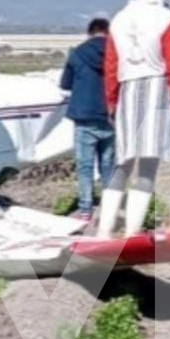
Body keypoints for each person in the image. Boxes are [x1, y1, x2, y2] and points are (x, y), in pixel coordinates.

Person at [100, 0, 170, 238]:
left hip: (127, 90)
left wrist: (111, 100)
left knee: (123, 163)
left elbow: (111, 65)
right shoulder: (167, 19)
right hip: (158, 88)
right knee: (148, 165)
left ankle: (104, 230)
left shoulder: (120, 18)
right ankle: (131, 232)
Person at [60, 18, 115, 223]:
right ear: (108, 33)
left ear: (89, 32)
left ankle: (85, 209)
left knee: (85, 166)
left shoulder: (77, 53)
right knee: (108, 165)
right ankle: (111, 208)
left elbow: (65, 84)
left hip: (83, 117)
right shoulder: (116, 54)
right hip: (109, 116)